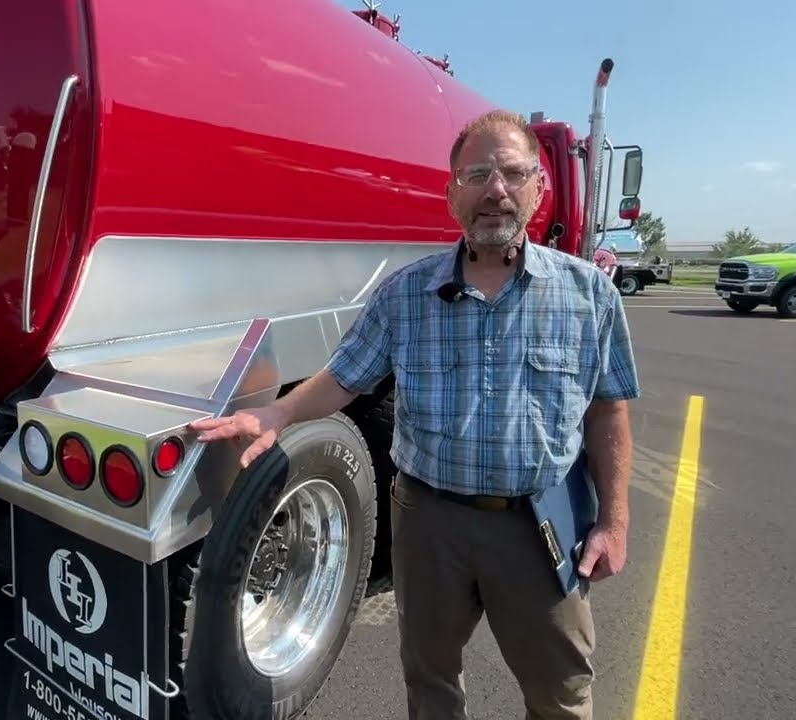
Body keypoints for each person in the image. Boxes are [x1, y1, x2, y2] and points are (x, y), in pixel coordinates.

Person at [188, 108, 639, 720]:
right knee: (429, 679)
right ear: (452, 194)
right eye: (476, 175)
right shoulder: (405, 293)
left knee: (560, 693)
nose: (495, 190)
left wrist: (613, 521)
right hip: (429, 524)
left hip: (538, 527)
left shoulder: (589, 295)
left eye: (512, 173)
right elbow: (344, 378)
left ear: (538, 187)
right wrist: (278, 413)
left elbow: (608, 410)